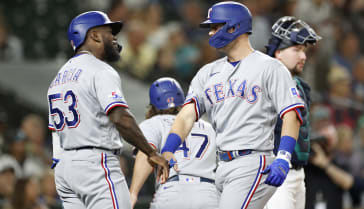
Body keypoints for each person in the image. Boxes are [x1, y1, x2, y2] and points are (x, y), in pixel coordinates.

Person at [160, 2, 305, 209]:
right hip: (221, 166)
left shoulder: (270, 67)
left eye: (215, 26)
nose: (210, 33)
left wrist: (283, 156)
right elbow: (186, 116)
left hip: (253, 161)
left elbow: (291, 114)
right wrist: (168, 149)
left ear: (234, 27)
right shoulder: (207, 73)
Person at [47, 11, 169, 209]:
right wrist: (150, 151)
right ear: (94, 35)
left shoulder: (58, 79)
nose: (114, 37)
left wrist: (63, 166)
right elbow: (120, 118)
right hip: (95, 164)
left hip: (64, 169)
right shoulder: (99, 69)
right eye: (109, 31)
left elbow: (55, 133)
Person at [129, 77, 219, 209]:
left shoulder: (154, 123)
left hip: (173, 191)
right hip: (209, 193)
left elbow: (146, 154)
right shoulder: (208, 127)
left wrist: (133, 193)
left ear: (153, 106)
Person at [264, 16, 321, 209]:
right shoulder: (264, 83)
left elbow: (298, 129)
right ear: (278, 52)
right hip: (276, 171)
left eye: (304, 50)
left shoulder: (302, 86)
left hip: (299, 174)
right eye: (296, 49)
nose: (303, 56)